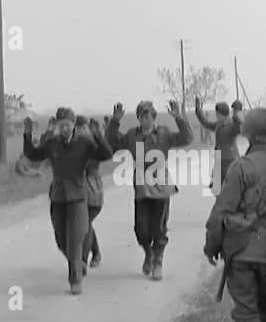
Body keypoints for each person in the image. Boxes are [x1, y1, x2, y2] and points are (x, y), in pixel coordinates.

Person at [204, 108, 266, 322]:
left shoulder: (240, 168)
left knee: (245, 310)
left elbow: (220, 213)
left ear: (248, 134)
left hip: (241, 253)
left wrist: (211, 246)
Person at [23, 108, 113, 294]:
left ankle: (75, 280)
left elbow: (106, 155)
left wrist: (98, 135)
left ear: (73, 125)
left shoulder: (84, 143)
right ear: (57, 125)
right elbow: (33, 154)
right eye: (61, 124)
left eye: (68, 124)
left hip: (79, 197)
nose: (64, 128)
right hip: (58, 196)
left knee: (74, 239)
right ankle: (79, 263)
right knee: (61, 240)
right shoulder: (52, 143)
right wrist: (27, 134)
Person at [106, 100, 193, 280]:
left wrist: (179, 118)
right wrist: (114, 122)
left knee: (159, 226)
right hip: (141, 185)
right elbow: (113, 141)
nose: (145, 120)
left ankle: (158, 260)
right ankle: (148, 252)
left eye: (149, 117)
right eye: (142, 117)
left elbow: (186, 138)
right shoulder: (132, 135)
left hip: (160, 183)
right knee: (141, 229)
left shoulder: (163, 134)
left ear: (154, 118)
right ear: (138, 118)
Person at [75, 116, 104, 269]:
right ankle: (97, 252)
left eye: (84, 128)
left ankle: (83, 261)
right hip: (76, 196)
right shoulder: (72, 146)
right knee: (85, 226)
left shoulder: (94, 147)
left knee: (84, 226)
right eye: (78, 129)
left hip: (93, 195)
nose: (81, 131)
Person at [195, 97, 242, 186]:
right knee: (218, 188)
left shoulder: (232, 124)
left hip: (230, 160)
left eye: (217, 113)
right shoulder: (219, 124)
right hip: (219, 160)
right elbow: (206, 123)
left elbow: (241, 128)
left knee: (230, 188)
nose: (216, 115)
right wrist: (198, 111)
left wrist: (236, 113)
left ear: (220, 113)